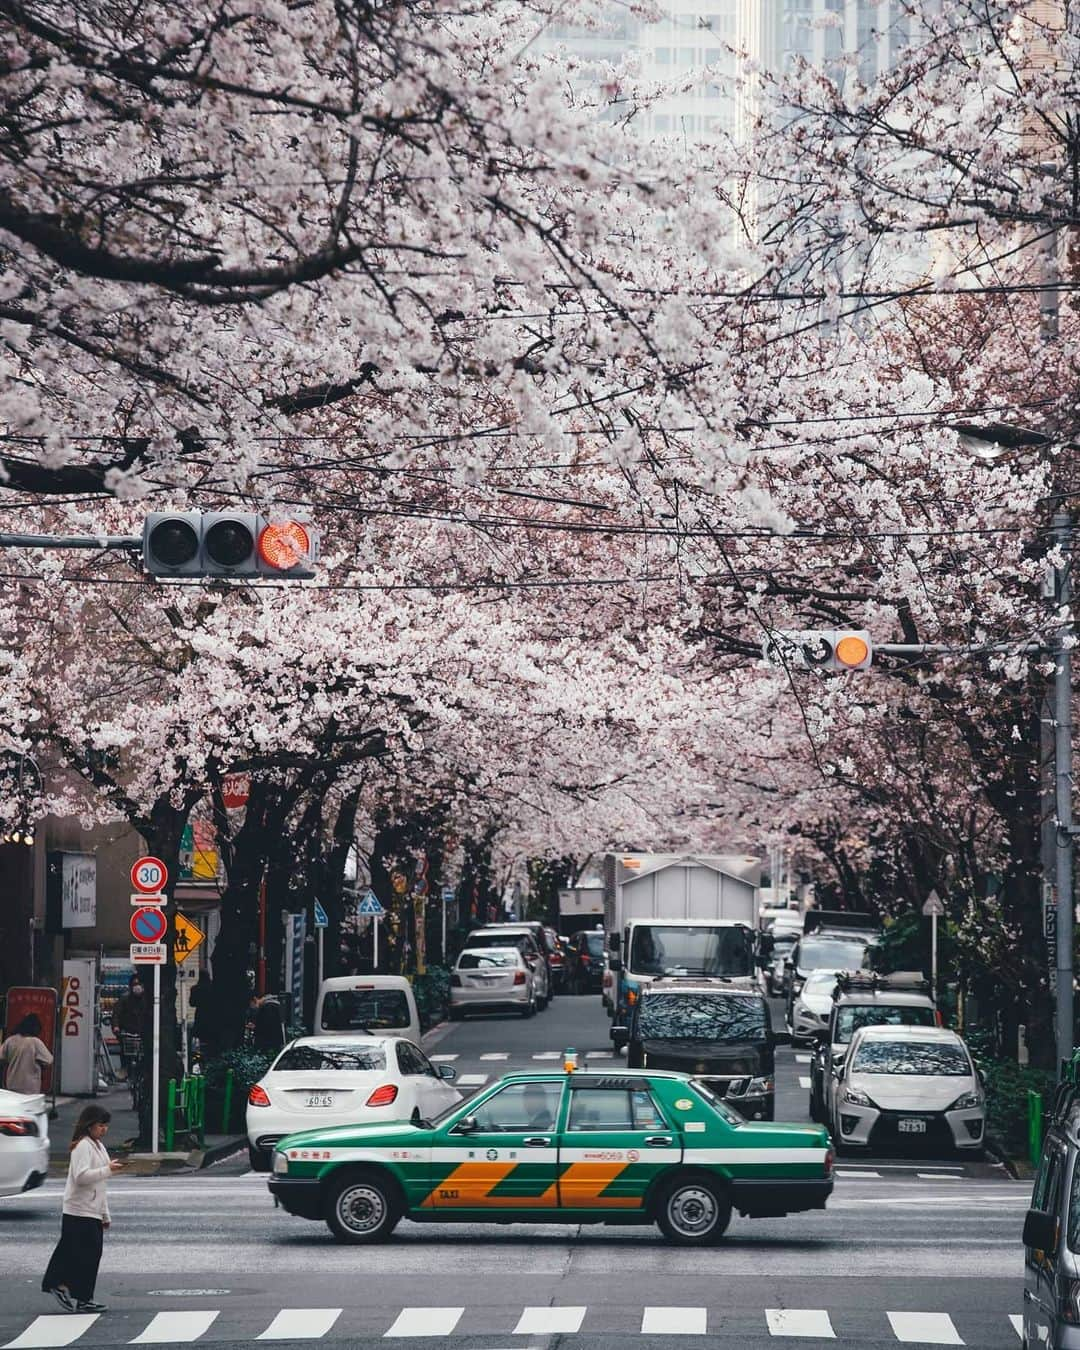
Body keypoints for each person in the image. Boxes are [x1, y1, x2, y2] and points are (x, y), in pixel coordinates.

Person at [42, 1105, 124, 1313]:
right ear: (89, 1125)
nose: (104, 1129)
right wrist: (107, 1169)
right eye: (100, 1125)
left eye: (106, 1126)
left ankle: (73, 1291)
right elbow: (81, 1177)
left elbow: (100, 1184)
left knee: (82, 1252)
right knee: (81, 1252)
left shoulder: (98, 1145)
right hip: (78, 1209)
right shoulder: (83, 1146)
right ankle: (69, 1290)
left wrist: (104, 1213)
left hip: (91, 1209)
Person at [0, 1013, 54, 1095]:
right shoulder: (35, 1042)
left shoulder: (10, 1040)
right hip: (30, 1087)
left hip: (12, 1084)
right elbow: (49, 1060)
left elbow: (1, 1058)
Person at [112, 975, 148, 1075]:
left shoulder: (147, 1000)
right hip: (128, 1031)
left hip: (143, 1032)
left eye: (139, 984)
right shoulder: (124, 999)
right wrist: (116, 1027)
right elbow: (116, 1014)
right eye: (135, 984)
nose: (137, 987)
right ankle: (124, 1068)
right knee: (125, 1051)